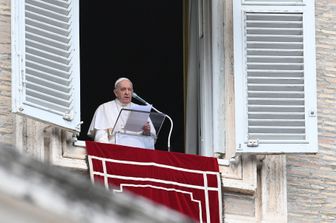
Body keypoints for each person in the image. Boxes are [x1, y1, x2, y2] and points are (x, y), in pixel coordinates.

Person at [87, 77, 156, 145]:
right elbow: (100, 137)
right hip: (113, 152)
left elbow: (152, 139)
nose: (127, 92)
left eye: (129, 90)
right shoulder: (104, 108)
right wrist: (109, 151)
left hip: (136, 152)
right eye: (123, 89)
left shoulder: (141, 110)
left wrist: (146, 132)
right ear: (116, 93)